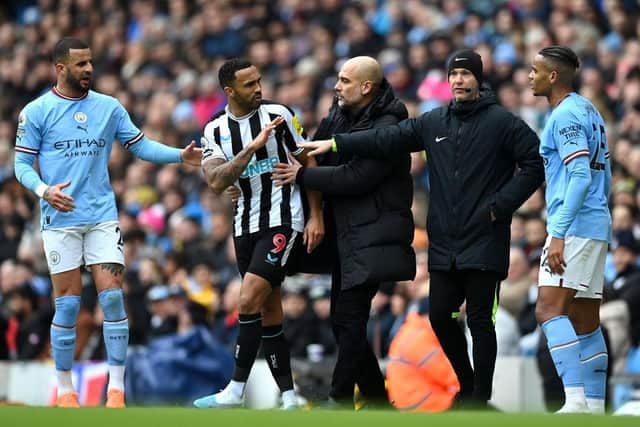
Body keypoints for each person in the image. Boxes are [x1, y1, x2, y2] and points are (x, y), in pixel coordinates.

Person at [299, 49, 544, 409]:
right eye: (453, 74)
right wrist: (337, 142)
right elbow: (386, 139)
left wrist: (500, 206)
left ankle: (479, 398)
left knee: (480, 321)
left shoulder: (502, 123)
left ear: (478, 78)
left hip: (485, 240)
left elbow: (534, 163)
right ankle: (469, 383)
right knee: (441, 317)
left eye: (465, 74)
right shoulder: (434, 122)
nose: (458, 80)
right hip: (444, 242)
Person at [13, 37, 202, 408]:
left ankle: (116, 389)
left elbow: (140, 146)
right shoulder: (36, 111)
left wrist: (180, 155)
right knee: (67, 306)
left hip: (101, 216)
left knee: (113, 298)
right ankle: (66, 390)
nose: (89, 70)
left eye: (90, 63)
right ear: (60, 68)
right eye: (81, 64)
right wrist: (43, 189)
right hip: (59, 218)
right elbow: (20, 165)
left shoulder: (109, 107)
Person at [271, 56, 415, 408]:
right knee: (343, 322)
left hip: (373, 235)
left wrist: (302, 177)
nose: (337, 86)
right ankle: (380, 404)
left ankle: (338, 399)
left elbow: (358, 177)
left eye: (344, 80)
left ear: (366, 87)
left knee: (348, 319)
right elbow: (310, 156)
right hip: (346, 235)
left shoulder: (389, 124)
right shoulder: (338, 114)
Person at [193, 58, 324, 410]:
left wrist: (315, 216)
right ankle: (290, 396)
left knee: (247, 299)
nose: (258, 89)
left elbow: (308, 161)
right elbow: (217, 181)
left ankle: (235, 389)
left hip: (283, 219)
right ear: (229, 91)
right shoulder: (215, 130)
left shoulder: (279, 114)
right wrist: (251, 148)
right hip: (243, 225)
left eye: (258, 81)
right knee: (269, 311)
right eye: (249, 85)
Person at [529, 45, 611, 414]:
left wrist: (558, 231)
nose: (529, 76)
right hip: (595, 223)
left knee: (548, 310)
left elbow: (578, 176)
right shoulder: (590, 111)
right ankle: (593, 405)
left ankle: (574, 399)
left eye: (534, 70)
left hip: (574, 224)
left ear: (553, 76)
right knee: (584, 319)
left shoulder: (565, 116)